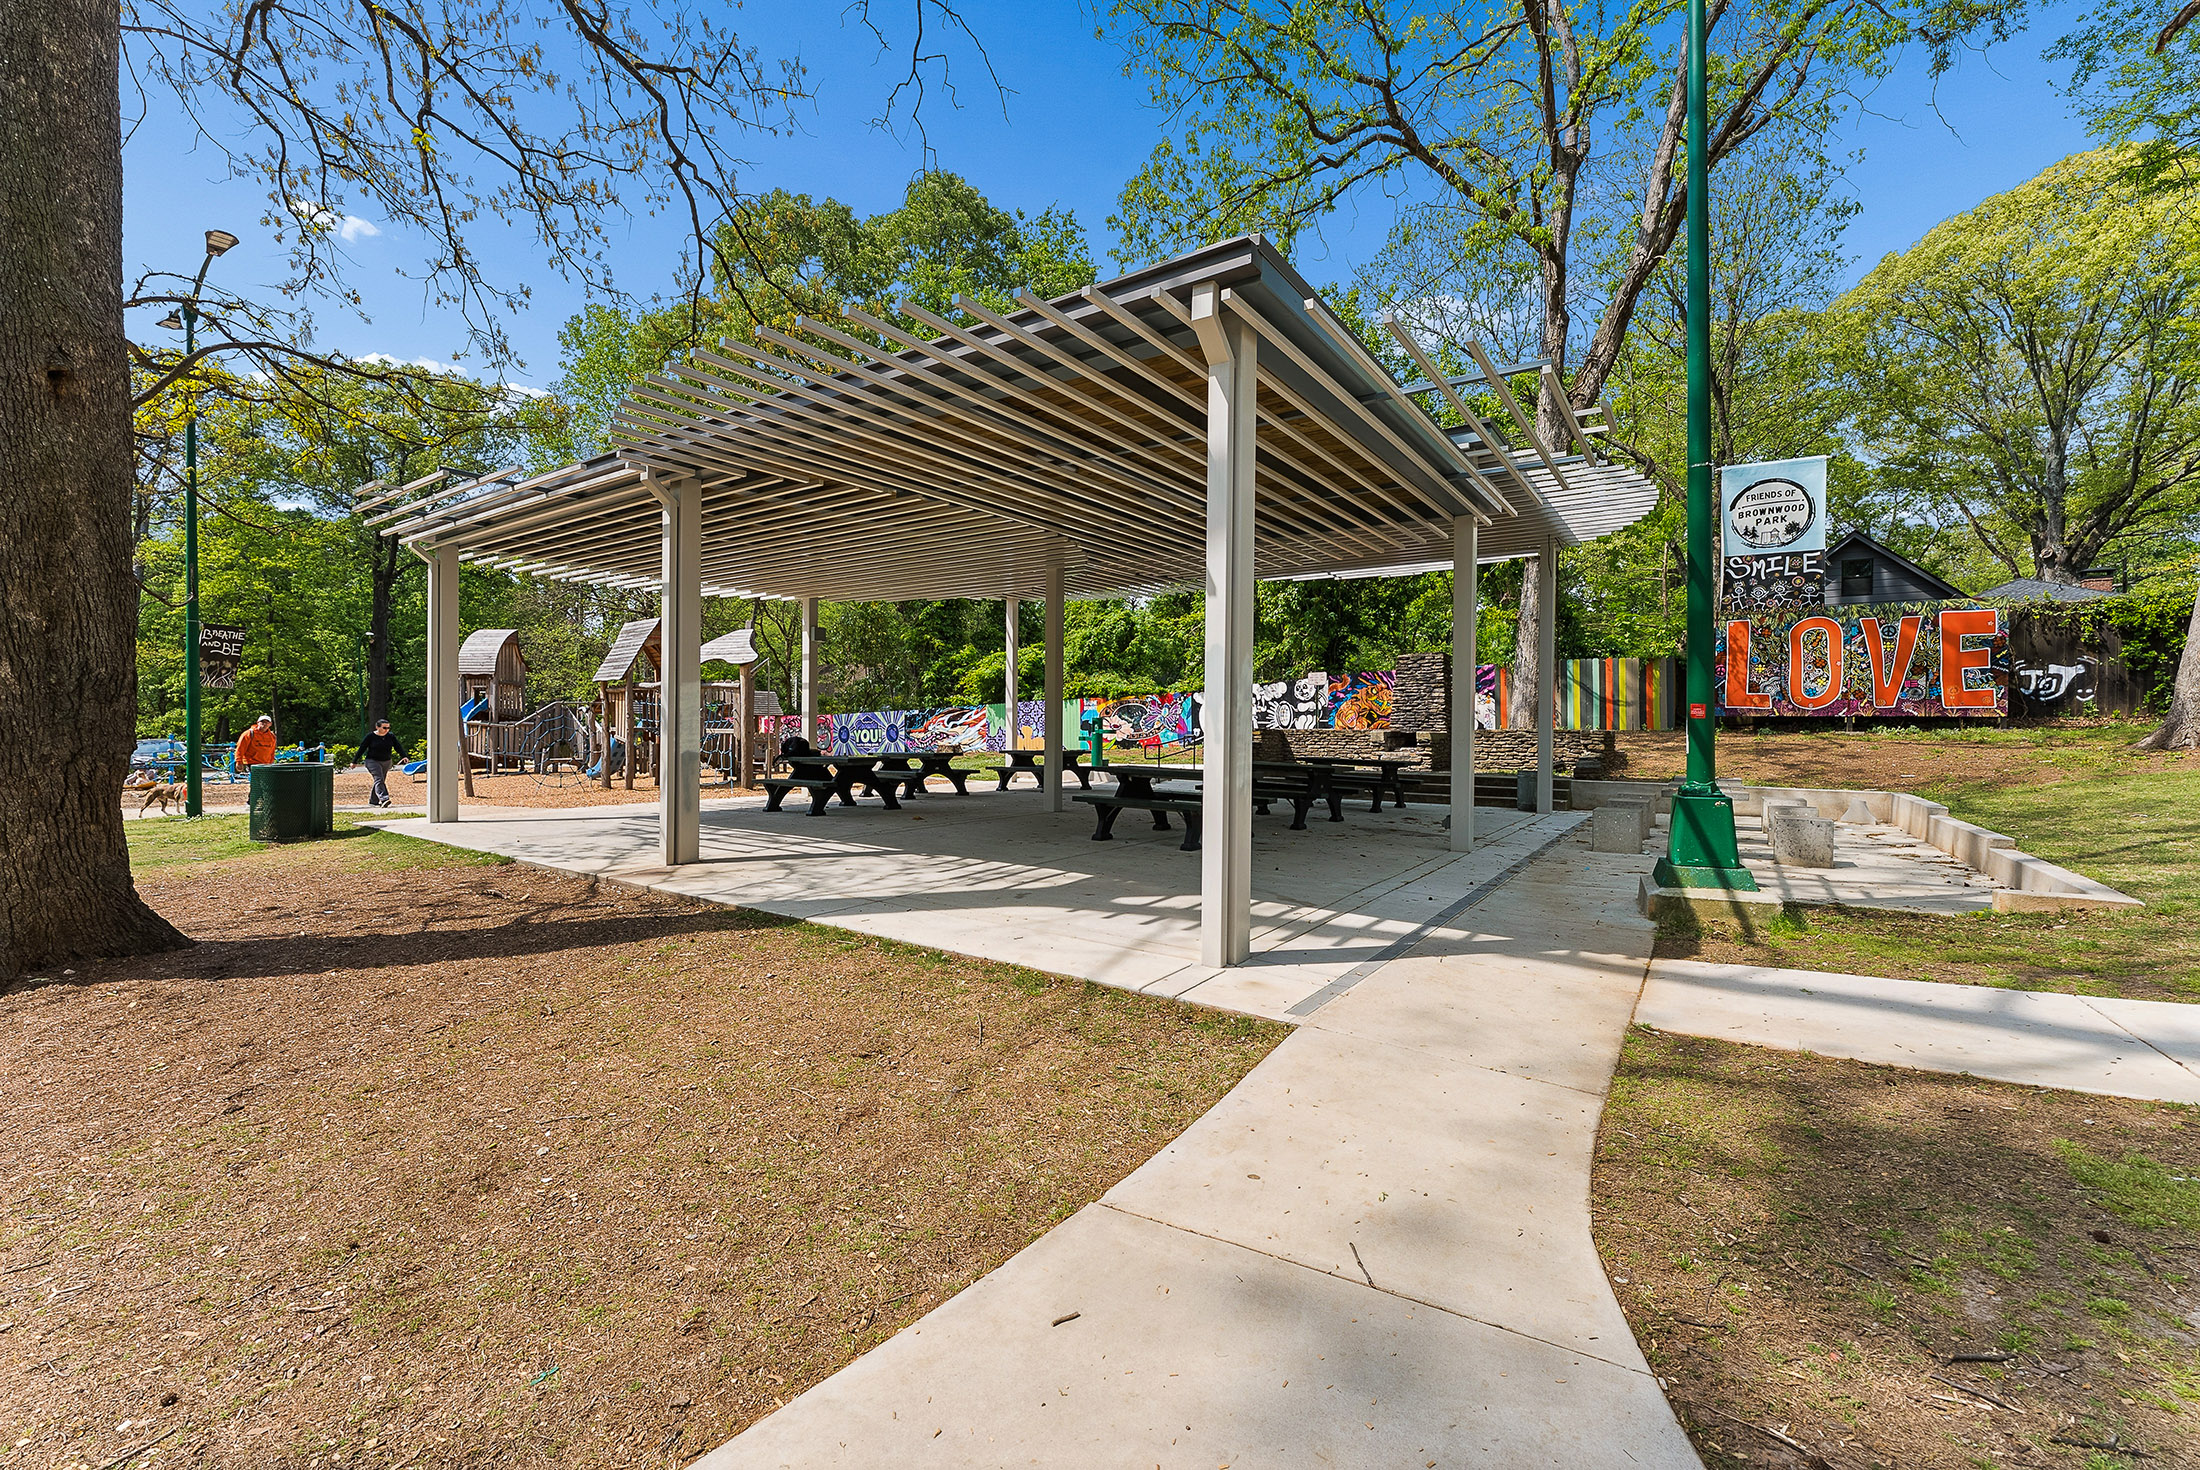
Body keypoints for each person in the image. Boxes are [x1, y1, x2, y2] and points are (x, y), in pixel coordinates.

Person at [359, 719, 408, 808]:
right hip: (372, 761)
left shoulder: (391, 736)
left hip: (386, 761)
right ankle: (384, 799)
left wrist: (403, 756)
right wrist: (354, 761)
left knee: (380, 780)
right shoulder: (370, 736)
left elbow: (397, 746)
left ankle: (373, 801)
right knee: (379, 779)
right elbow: (362, 748)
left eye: (388, 727)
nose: (387, 730)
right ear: (377, 727)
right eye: (384, 727)